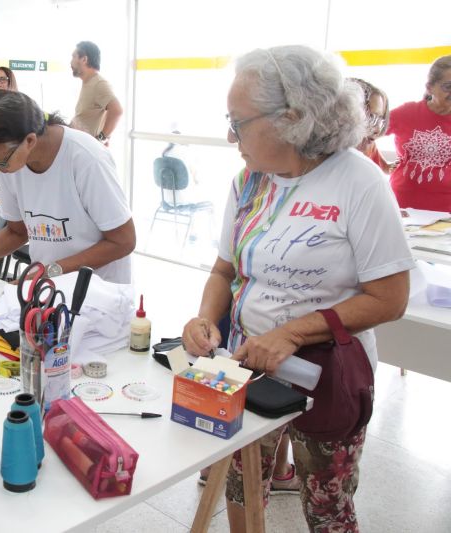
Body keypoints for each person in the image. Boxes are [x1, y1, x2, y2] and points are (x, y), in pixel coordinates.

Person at [181, 45, 413, 532]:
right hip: (250, 367)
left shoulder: (359, 183)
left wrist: (293, 333)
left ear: (291, 118)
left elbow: (389, 298)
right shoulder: (249, 182)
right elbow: (224, 269)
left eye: (238, 121)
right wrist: (205, 317)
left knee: (327, 505)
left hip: (330, 374)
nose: (230, 135)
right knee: (243, 486)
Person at [0, 90, 135, 287]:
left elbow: (123, 241)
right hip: (47, 291)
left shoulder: (87, 159)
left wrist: (49, 272)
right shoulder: (11, 163)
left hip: (98, 295)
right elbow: (17, 232)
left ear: (30, 141)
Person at [387, 55, 451, 211]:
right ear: (429, 87)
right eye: (448, 86)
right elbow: (363, 134)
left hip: (447, 212)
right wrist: (379, 164)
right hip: (403, 207)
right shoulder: (406, 113)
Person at [69, 41, 123, 146]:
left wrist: (101, 139)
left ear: (84, 59)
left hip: (88, 150)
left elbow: (117, 111)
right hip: (80, 147)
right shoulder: (88, 83)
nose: (70, 62)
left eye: (73, 57)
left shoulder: (99, 83)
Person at [350, 77, 392, 174]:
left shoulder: (369, 147)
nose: (377, 130)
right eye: (370, 118)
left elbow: (386, 168)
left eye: (379, 120)